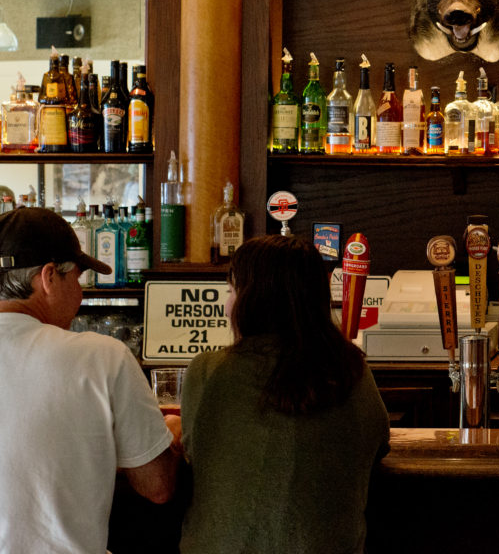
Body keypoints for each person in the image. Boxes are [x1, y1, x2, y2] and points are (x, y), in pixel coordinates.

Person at [179, 235, 390, 554]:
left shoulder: (209, 370)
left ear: (251, 299)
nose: (226, 304)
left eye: (231, 291)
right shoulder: (354, 371)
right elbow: (379, 443)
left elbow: (194, 453)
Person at [0, 207, 178, 553]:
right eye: (77, 279)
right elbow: (158, 486)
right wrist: (167, 434)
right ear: (49, 277)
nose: (80, 295)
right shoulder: (102, 357)